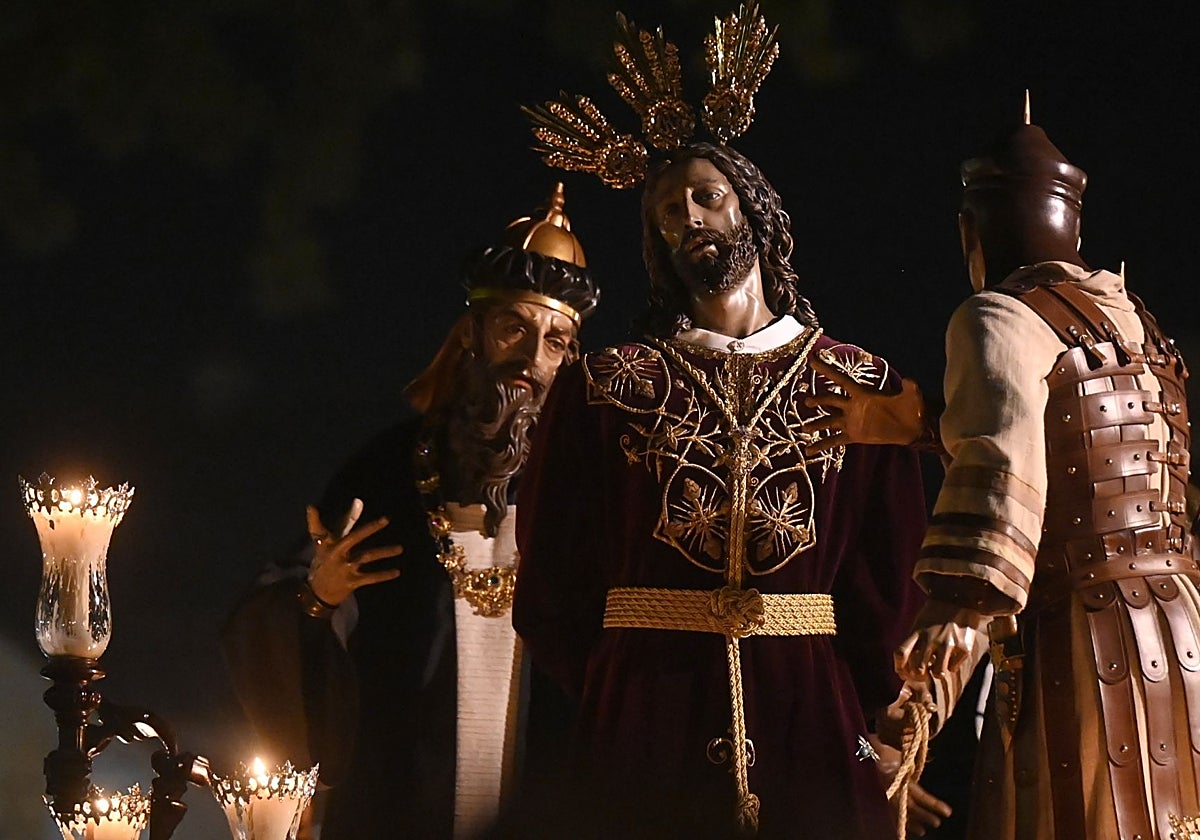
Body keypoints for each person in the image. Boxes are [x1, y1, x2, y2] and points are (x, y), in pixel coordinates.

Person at [513, 131, 930, 835]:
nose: (691, 219)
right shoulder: (603, 388)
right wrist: (620, 684)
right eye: (669, 213)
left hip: (810, 721)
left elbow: (893, 570)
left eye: (708, 197)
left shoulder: (857, 383)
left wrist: (852, 698)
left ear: (753, 210)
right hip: (642, 721)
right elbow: (552, 571)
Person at [222, 184, 600, 839]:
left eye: (555, 341)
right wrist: (319, 597)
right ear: (473, 334)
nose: (531, 359)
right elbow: (268, 621)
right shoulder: (389, 472)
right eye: (515, 328)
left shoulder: (589, 492)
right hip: (396, 805)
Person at [886, 108, 1199, 839]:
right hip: (1183, 634)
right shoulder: (1141, 329)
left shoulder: (997, 316)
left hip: (1084, 640)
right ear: (1074, 228)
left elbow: (1004, 480)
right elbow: (1089, 458)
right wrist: (930, 425)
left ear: (971, 232)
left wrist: (951, 610)